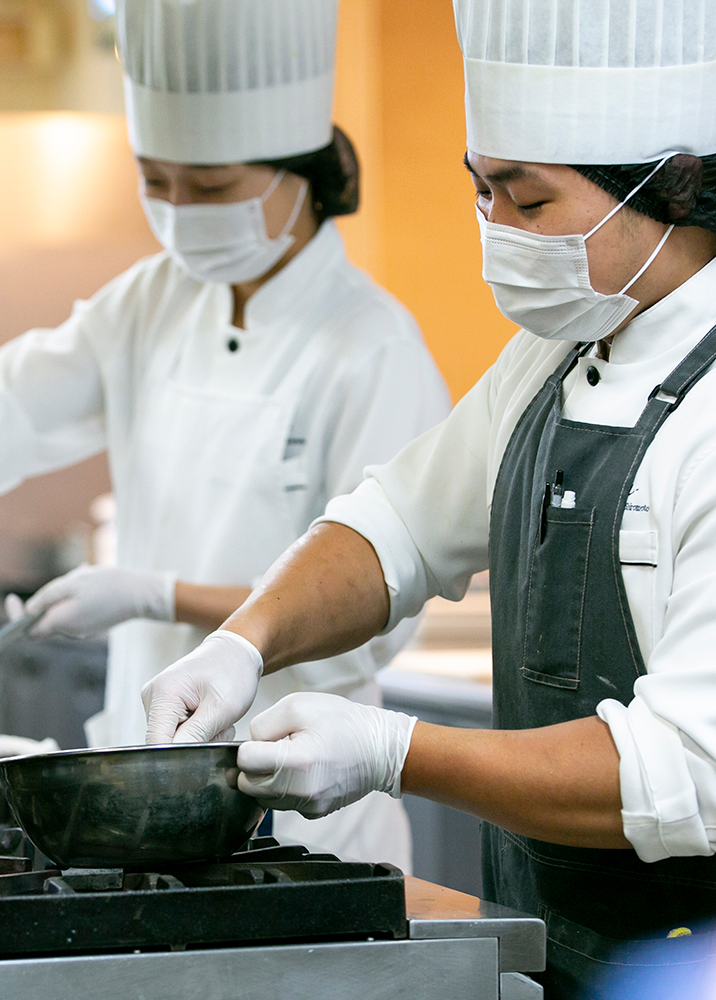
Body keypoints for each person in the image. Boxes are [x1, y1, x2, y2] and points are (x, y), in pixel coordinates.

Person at [141, 0, 716, 995]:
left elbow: (683, 771)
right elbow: (395, 525)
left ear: (670, 187)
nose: (493, 228)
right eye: (480, 190)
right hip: (544, 939)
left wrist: (390, 750)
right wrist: (244, 641)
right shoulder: (554, 352)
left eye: (527, 203)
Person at [0, 0, 449, 867]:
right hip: (138, 794)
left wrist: (156, 594)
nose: (182, 211)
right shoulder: (153, 299)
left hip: (304, 810)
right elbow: (7, 407)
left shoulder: (373, 347)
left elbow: (372, 608)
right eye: (157, 182)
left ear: (298, 172)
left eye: (214, 188)